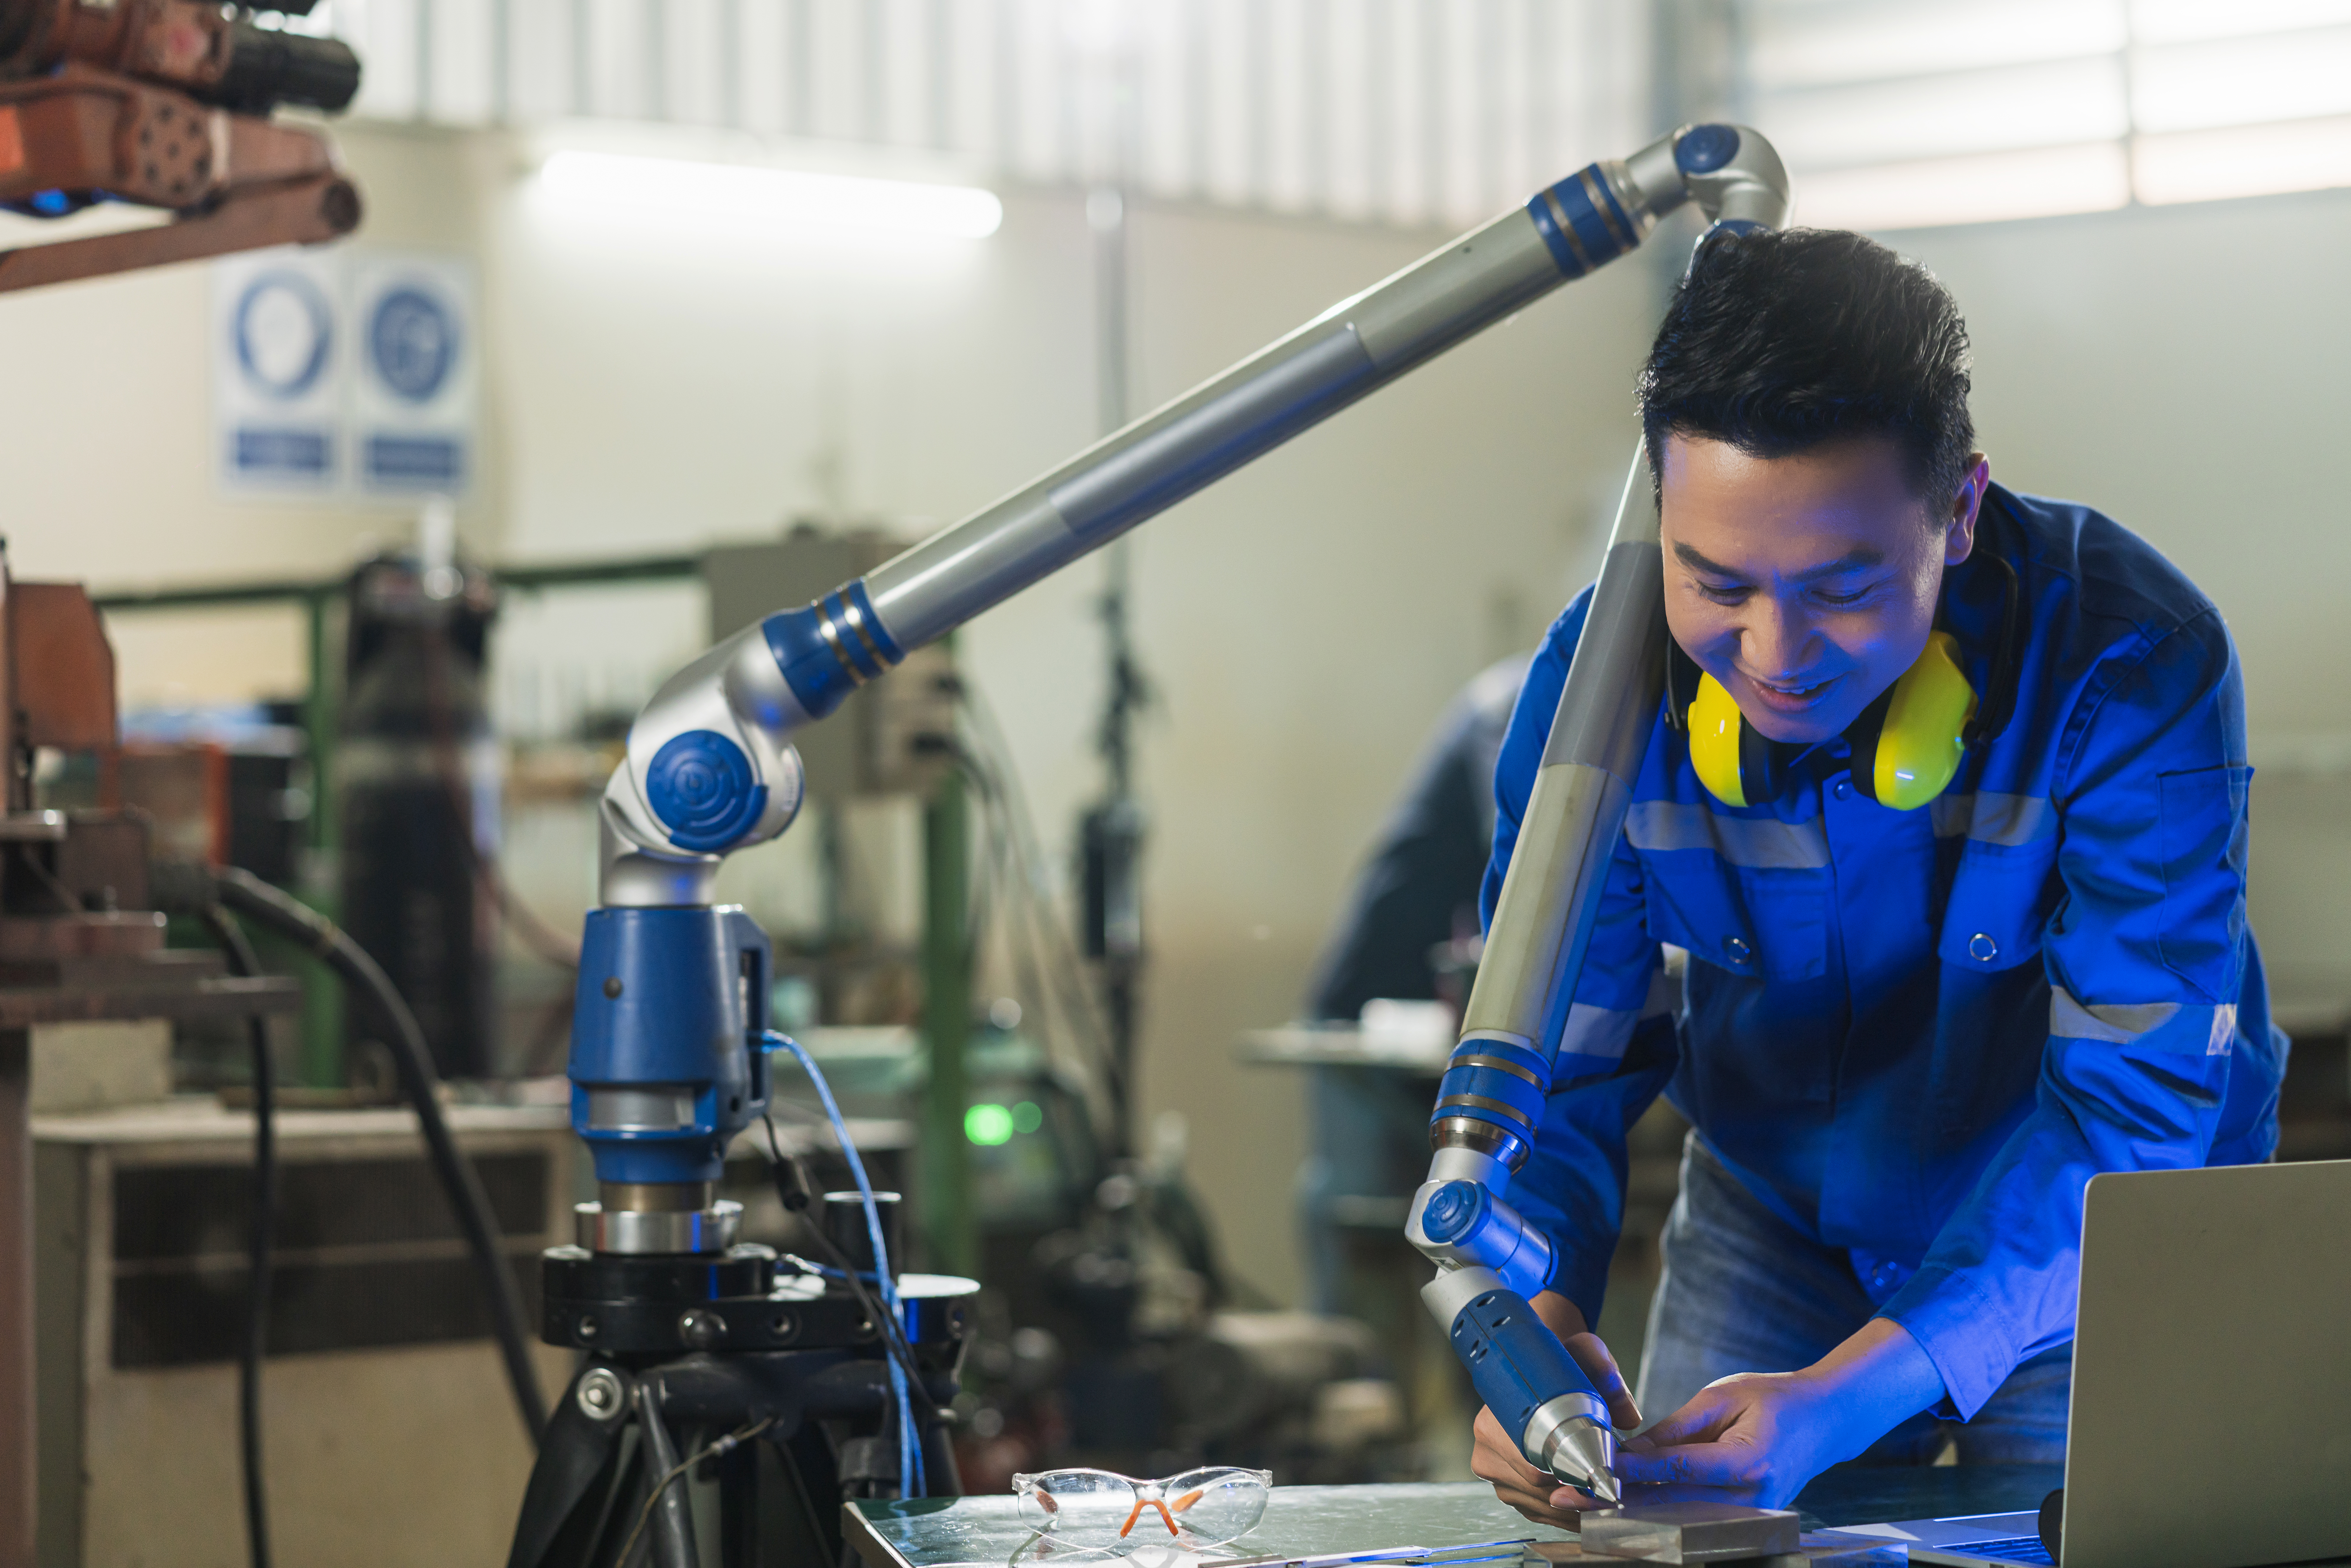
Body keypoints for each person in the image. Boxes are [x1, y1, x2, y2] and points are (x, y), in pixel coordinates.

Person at [1470, 228, 2283, 1519]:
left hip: (2087, 1234)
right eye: (1715, 581)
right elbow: (1550, 1063)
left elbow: (2134, 1119)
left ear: (1956, 512)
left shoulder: (2132, 666)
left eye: (1842, 586)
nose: (1772, 653)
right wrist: (1533, 1325)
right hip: (1774, 1216)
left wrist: (1853, 1392)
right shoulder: (1593, 701)